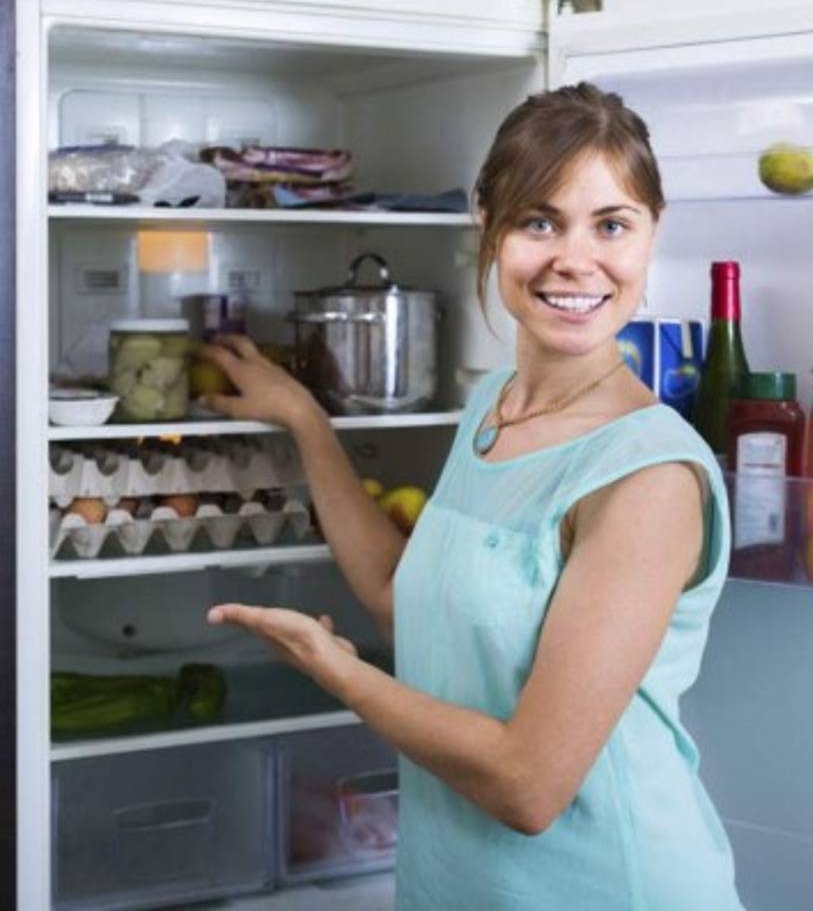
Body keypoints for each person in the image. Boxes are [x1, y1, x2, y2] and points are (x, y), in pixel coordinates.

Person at [202, 82, 744, 911]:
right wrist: (307, 422)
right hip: (460, 885)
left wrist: (337, 673)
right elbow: (401, 599)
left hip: (606, 887)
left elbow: (529, 786)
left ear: (650, 236)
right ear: (485, 227)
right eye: (539, 220)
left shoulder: (646, 475)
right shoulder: (494, 407)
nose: (575, 258)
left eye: (611, 224)